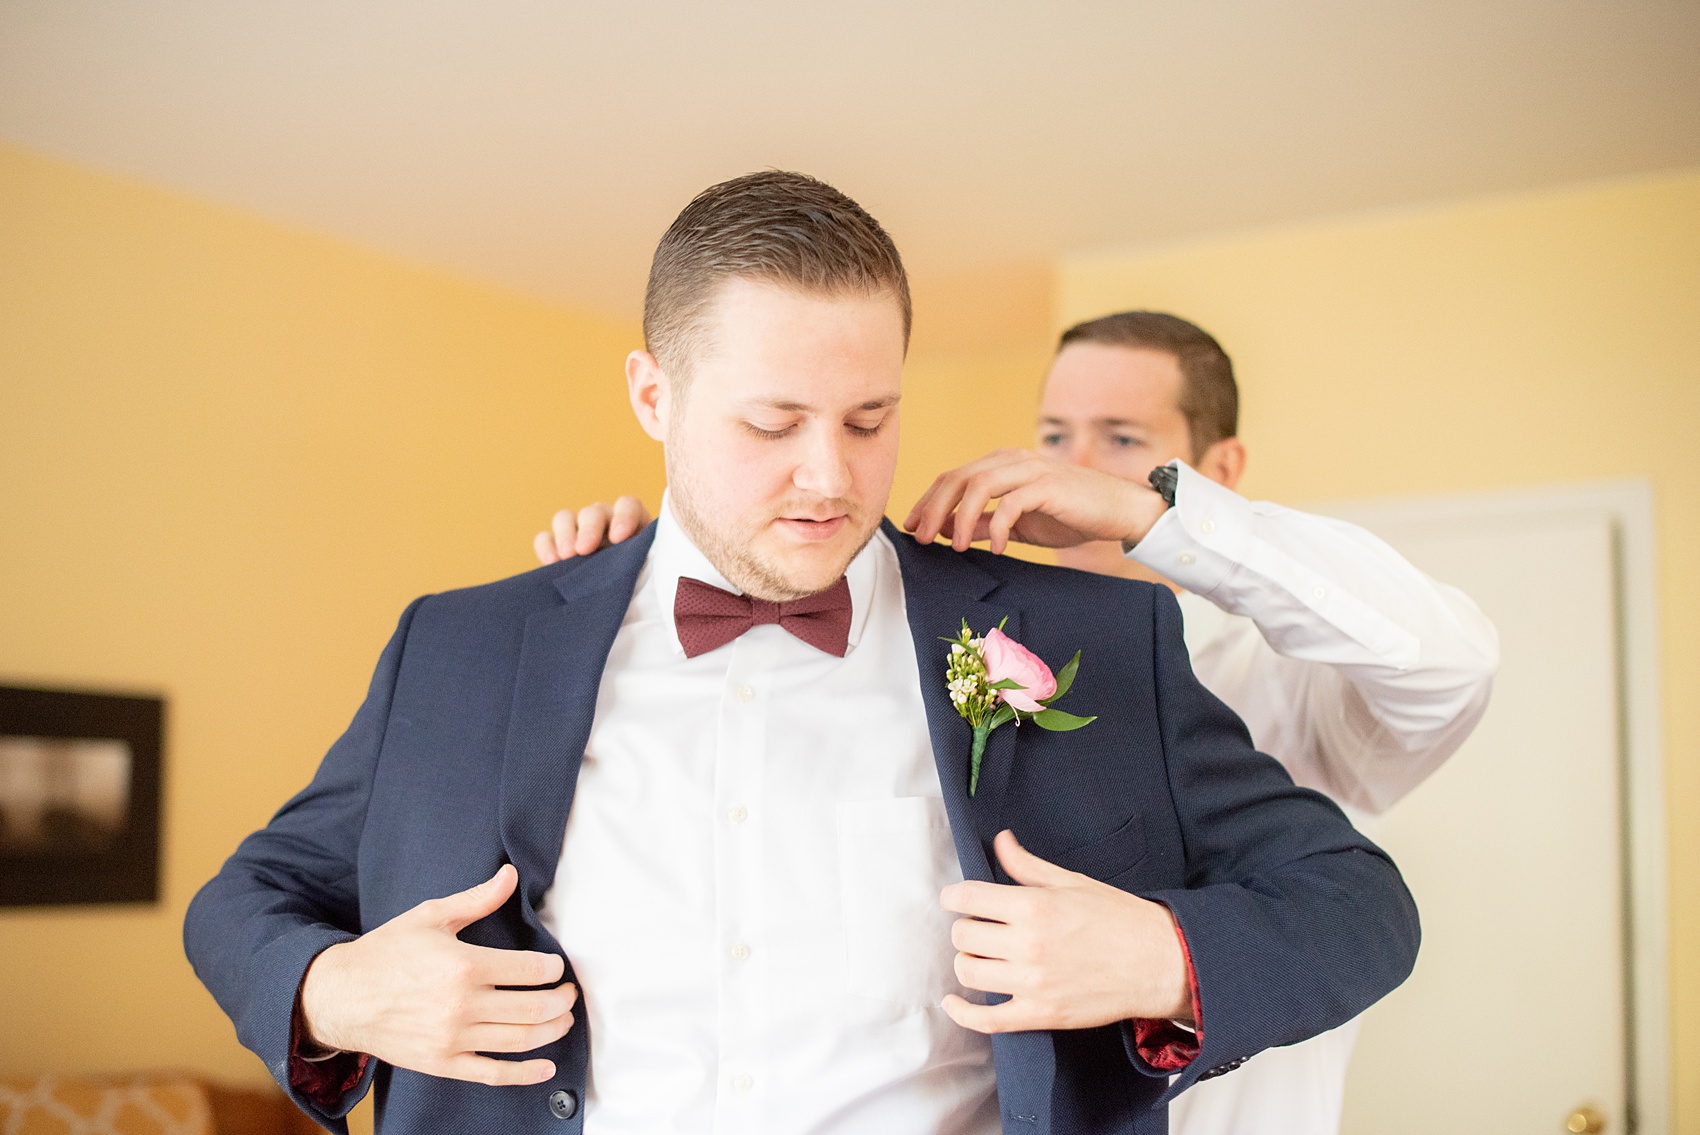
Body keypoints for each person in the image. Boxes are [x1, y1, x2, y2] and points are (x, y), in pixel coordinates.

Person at [186, 171, 1420, 1135]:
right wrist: (331, 993)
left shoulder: (1085, 636)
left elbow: (1358, 905)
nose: (828, 477)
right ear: (653, 396)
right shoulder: (459, 647)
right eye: (771, 423)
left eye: (869, 418)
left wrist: (1160, 955)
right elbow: (247, 897)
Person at [544, 312, 1497, 1135]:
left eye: (1122, 439)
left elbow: (1453, 663)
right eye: (1055, 432)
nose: (1070, 468)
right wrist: (635, 588)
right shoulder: (970, 646)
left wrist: (1144, 515)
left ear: (1218, 468)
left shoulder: (1289, 684)